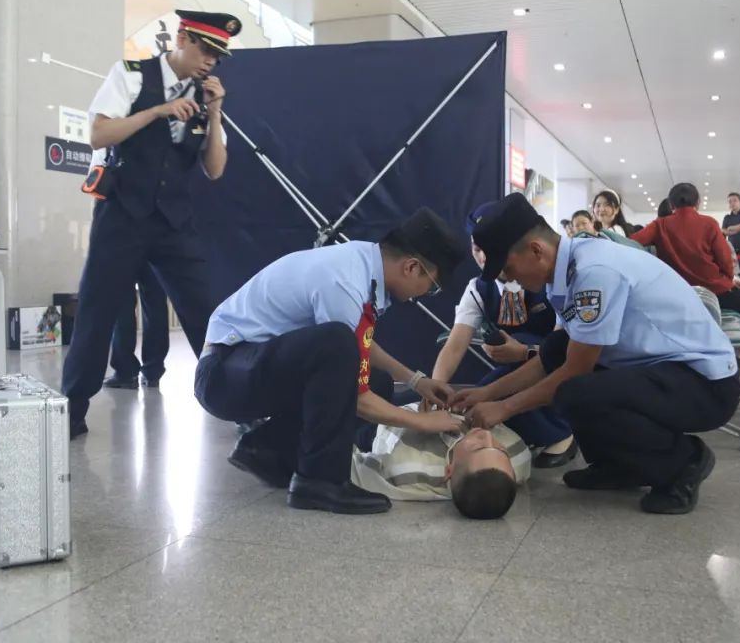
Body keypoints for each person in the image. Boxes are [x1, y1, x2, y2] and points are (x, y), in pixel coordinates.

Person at [452, 193, 740, 515]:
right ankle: (621, 466)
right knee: (557, 348)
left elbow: (574, 371)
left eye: (508, 268)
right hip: (662, 371)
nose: (509, 278)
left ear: (536, 250)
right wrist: (487, 393)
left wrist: (504, 408)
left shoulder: (594, 272)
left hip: (705, 384)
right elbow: (553, 359)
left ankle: (683, 463)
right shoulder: (565, 271)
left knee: (575, 392)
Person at [194, 208, 466, 516]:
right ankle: (320, 481)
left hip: (248, 366)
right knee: (338, 346)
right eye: (432, 286)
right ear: (412, 267)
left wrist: (416, 381)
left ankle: (268, 449)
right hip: (223, 376)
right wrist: (421, 421)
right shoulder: (345, 281)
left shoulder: (362, 265)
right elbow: (352, 383)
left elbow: (357, 346)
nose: (426, 293)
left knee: (377, 381)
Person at [63, 10, 240, 439]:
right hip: (122, 215)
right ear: (182, 38)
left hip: (173, 221)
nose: (210, 61)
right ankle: (72, 408)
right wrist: (158, 111)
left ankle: (241, 403)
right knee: (98, 309)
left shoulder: (204, 97)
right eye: (205, 49)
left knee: (206, 313)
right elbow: (99, 135)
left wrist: (215, 114)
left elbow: (215, 169)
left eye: (217, 56)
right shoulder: (132, 75)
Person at [426, 203, 575, 467]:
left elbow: (564, 346)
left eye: (491, 250)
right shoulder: (478, 288)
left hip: (558, 363)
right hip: (514, 369)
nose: (484, 257)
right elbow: (455, 344)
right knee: (483, 395)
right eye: (477, 249)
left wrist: (525, 352)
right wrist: (435, 386)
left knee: (498, 384)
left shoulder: (550, 278)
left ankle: (561, 431)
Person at [630, 184, 740, 357]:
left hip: (678, 291)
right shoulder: (709, 223)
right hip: (714, 290)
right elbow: (724, 259)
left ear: (671, 205)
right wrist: (727, 280)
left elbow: (632, 242)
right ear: (698, 203)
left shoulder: (660, 225)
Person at [351, 402, 531, 519]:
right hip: (445, 406)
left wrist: (418, 420)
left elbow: (352, 468)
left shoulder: (408, 470)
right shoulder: (518, 456)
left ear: (448, 471)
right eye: (501, 450)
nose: (487, 436)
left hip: (387, 419)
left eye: (477, 447)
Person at [104, 262, 169, 389]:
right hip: (156, 253)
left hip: (122, 252)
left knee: (122, 307)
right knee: (155, 305)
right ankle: (153, 371)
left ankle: (125, 372)